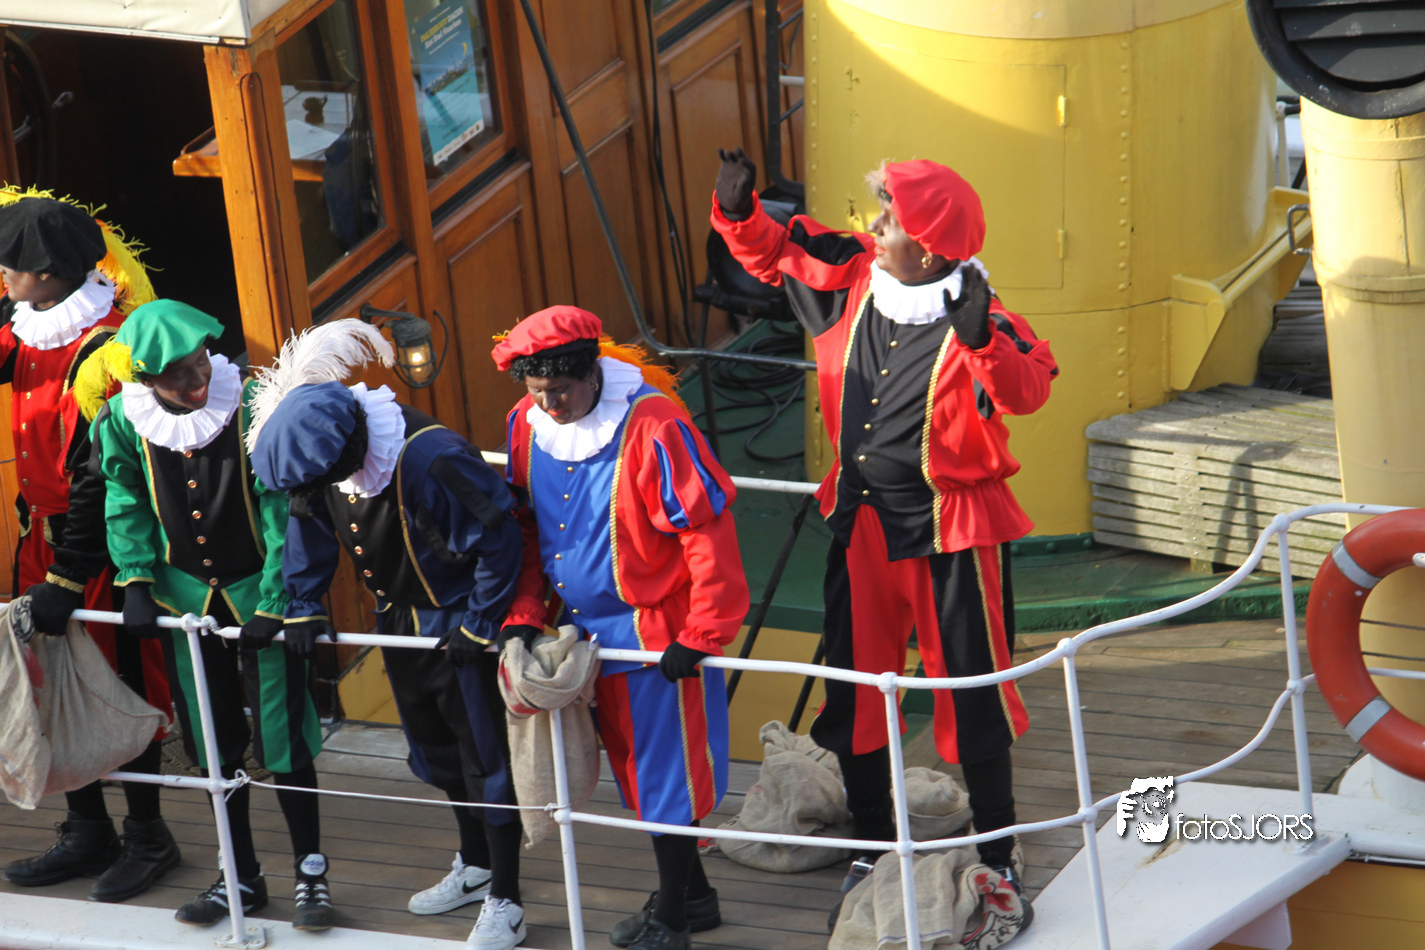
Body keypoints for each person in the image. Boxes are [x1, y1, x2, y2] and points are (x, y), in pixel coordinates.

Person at [709, 149, 1058, 930]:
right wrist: (736, 213)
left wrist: (981, 339)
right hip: (860, 522)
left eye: (889, 220)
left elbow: (1027, 390)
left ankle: (996, 851)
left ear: (927, 249)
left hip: (950, 531)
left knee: (973, 691)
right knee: (855, 686)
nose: (873, 227)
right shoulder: (850, 275)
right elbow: (776, 250)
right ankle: (869, 841)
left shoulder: (984, 315)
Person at [246, 319, 528, 950]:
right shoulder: (329, 463)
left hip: (459, 623)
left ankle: (507, 899)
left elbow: (500, 536)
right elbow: (309, 528)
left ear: (349, 448)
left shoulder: (432, 457)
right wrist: (302, 606)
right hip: (399, 622)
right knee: (438, 749)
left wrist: (481, 622)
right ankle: (476, 864)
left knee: (486, 758)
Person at [492, 306, 750, 950]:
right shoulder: (525, 425)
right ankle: (692, 897)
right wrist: (524, 614)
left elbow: (706, 535)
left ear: (592, 374)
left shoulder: (656, 425)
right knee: (636, 775)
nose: (548, 405)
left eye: (560, 390)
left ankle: (673, 921)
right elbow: (528, 532)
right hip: (581, 640)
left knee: (666, 779)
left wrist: (704, 631)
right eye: (537, 391)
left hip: (659, 635)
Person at [75, 299, 334, 929]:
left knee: (285, 737)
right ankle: (239, 875)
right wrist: (136, 579)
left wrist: (277, 599)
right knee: (212, 745)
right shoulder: (123, 418)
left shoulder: (251, 404)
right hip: (183, 600)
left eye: (200, 365)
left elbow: (280, 507)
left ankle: (311, 876)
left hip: (258, 596)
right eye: (179, 376)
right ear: (145, 379)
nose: (197, 382)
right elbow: (124, 498)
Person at [0, 192, 179, 904]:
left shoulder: (108, 347)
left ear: (48, 273)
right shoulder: (28, 327)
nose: (1, 273)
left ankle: (149, 835)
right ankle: (88, 829)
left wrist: (70, 576)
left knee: (121, 686)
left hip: (100, 547)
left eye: (10, 264)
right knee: (54, 681)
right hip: (40, 539)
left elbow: (103, 476)